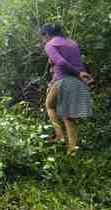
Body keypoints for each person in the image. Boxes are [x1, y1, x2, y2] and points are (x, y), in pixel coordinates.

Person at [41, 24, 94, 156]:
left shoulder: (50, 44)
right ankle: (72, 151)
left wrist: (78, 73)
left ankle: (59, 136)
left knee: (49, 105)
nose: (43, 41)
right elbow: (76, 62)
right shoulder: (72, 43)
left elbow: (61, 63)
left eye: (42, 37)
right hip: (78, 83)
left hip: (64, 81)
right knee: (69, 117)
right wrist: (81, 74)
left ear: (46, 35)